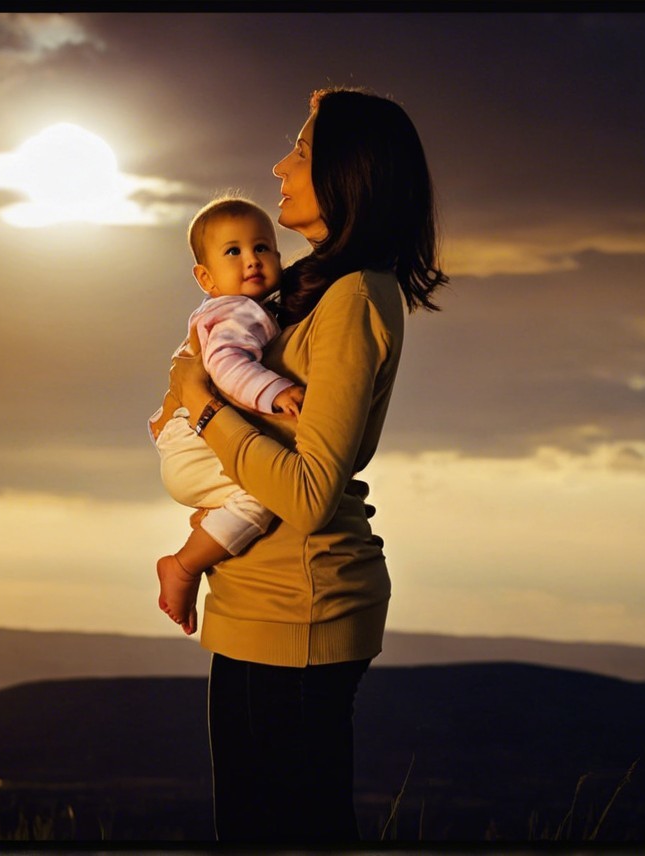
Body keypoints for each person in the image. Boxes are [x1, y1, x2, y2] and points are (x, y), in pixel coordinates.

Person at [166, 86, 448, 842]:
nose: (279, 164)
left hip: (299, 604)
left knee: (285, 835)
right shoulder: (313, 289)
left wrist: (202, 406)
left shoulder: (356, 296)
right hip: (260, 598)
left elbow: (311, 491)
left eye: (301, 148)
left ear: (345, 174)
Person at [149, 197, 305, 636]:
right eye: (233, 252)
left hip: (189, 443)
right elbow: (224, 364)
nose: (252, 260)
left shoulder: (235, 310)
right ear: (206, 277)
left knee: (247, 494)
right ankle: (183, 565)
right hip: (197, 444)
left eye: (263, 248)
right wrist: (275, 392)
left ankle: (204, 542)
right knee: (262, 494)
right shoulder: (241, 312)